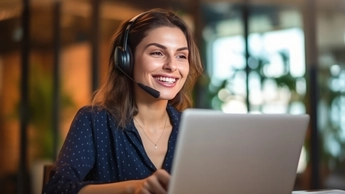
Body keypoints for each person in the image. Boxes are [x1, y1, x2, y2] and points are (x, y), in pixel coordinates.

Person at [42, 8, 203, 194]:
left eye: (181, 56)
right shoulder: (94, 122)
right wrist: (132, 188)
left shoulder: (192, 130)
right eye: (157, 53)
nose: (172, 66)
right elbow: (57, 189)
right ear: (126, 59)